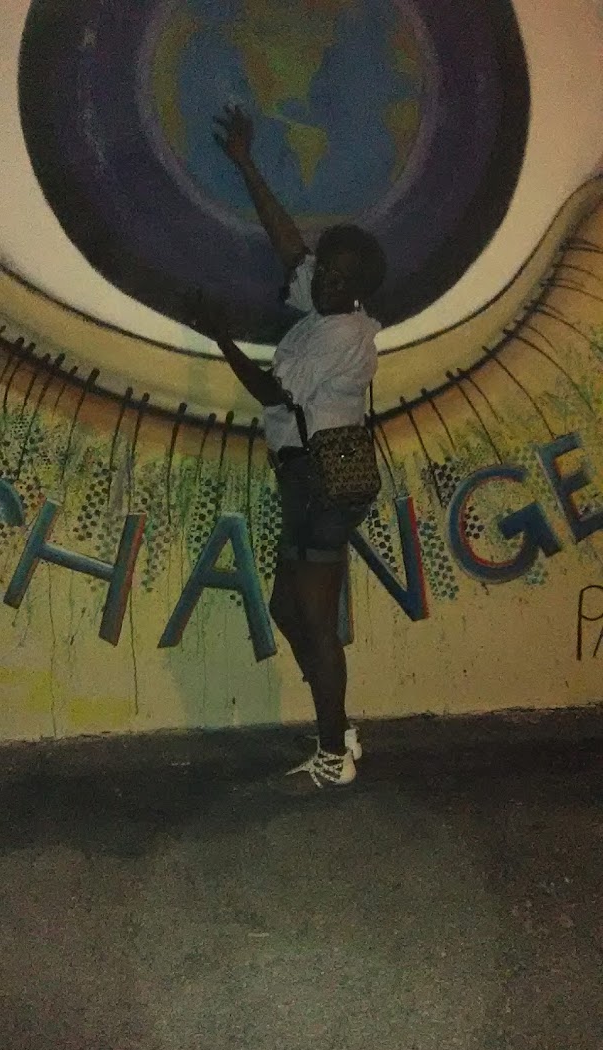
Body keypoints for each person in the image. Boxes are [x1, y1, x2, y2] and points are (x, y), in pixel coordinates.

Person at [198, 105, 386, 793]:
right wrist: (245, 162)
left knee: (315, 619)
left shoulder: (343, 333)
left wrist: (218, 335)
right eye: (326, 271)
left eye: (339, 278)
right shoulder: (323, 310)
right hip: (305, 483)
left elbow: (272, 393)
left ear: (360, 289)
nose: (325, 281)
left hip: (321, 489)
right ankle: (337, 725)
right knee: (288, 611)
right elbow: (288, 249)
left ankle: (335, 753)